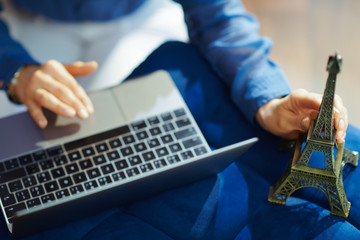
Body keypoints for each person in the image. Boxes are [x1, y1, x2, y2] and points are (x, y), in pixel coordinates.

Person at [0, 0, 359, 239]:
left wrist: (267, 100)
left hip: (134, 18)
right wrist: (16, 71)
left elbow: (218, 17)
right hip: (26, 22)